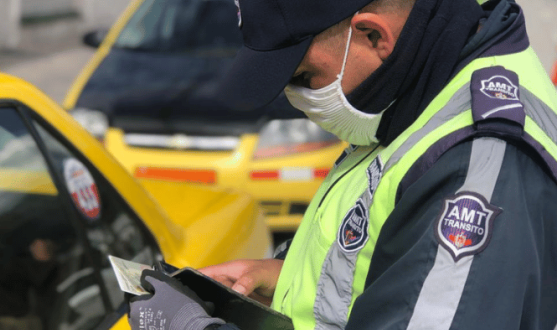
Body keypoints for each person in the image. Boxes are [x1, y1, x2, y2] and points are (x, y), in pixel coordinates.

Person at [128, 0, 557, 329]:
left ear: (373, 35)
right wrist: (288, 276)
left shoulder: (475, 166)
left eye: (303, 77)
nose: (297, 100)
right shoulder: (414, 91)